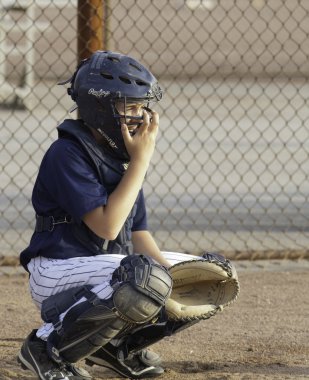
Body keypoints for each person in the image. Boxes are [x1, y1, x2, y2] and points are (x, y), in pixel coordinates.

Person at [17, 50, 204, 380]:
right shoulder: (67, 153)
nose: (140, 116)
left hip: (104, 271)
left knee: (210, 278)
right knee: (144, 279)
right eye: (129, 107)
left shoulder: (119, 158)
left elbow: (138, 232)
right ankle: (46, 348)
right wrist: (141, 162)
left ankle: (116, 348)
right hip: (57, 270)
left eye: (141, 106)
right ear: (100, 108)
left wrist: (173, 275)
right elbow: (107, 226)